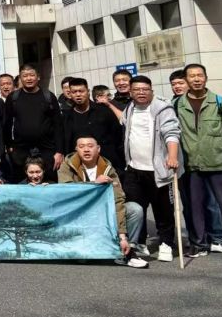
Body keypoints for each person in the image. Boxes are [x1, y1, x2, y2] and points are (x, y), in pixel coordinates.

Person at [57, 134, 148, 268]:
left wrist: (123, 236)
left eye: (90, 146)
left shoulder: (108, 169)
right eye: (81, 146)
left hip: (102, 214)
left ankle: (128, 251)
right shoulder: (67, 166)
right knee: (83, 259)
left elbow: (117, 200)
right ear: (76, 149)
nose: (86, 150)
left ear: (98, 149)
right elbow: (67, 192)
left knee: (134, 209)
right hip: (78, 215)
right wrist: (94, 184)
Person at [120, 75, 181, 262]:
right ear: (131, 92)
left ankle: (166, 243)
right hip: (134, 169)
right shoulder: (130, 108)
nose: (141, 92)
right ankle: (139, 243)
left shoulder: (163, 108)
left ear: (151, 90)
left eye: (145, 89)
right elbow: (124, 124)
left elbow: (171, 132)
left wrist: (172, 156)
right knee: (136, 208)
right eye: (137, 89)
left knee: (163, 209)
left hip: (159, 170)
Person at [175, 63, 222, 257]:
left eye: (200, 75)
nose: (197, 79)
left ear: (206, 78)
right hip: (191, 164)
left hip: (219, 162)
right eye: (192, 76)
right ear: (186, 80)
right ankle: (198, 244)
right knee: (195, 207)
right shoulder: (177, 105)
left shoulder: (220, 102)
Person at [5, 64, 63, 180]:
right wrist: (9, 146)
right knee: (22, 184)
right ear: (20, 78)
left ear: (38, 77)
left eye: (32, 75)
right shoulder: (13, 98)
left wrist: (59, 151)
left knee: (48, 183)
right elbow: (7, 123)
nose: (28, 78)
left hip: (47, 150)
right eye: (25, 76)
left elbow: (58, 125)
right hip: (21, 151)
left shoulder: (48, 96)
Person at [63, 78, 124, 171]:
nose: (78, 94)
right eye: (74, 92)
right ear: (70, 94)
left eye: (81, 91)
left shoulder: (104, 111)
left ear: (88, 92)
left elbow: (117, 136)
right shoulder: (67, 117)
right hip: (80, 167)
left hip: (106, 163)